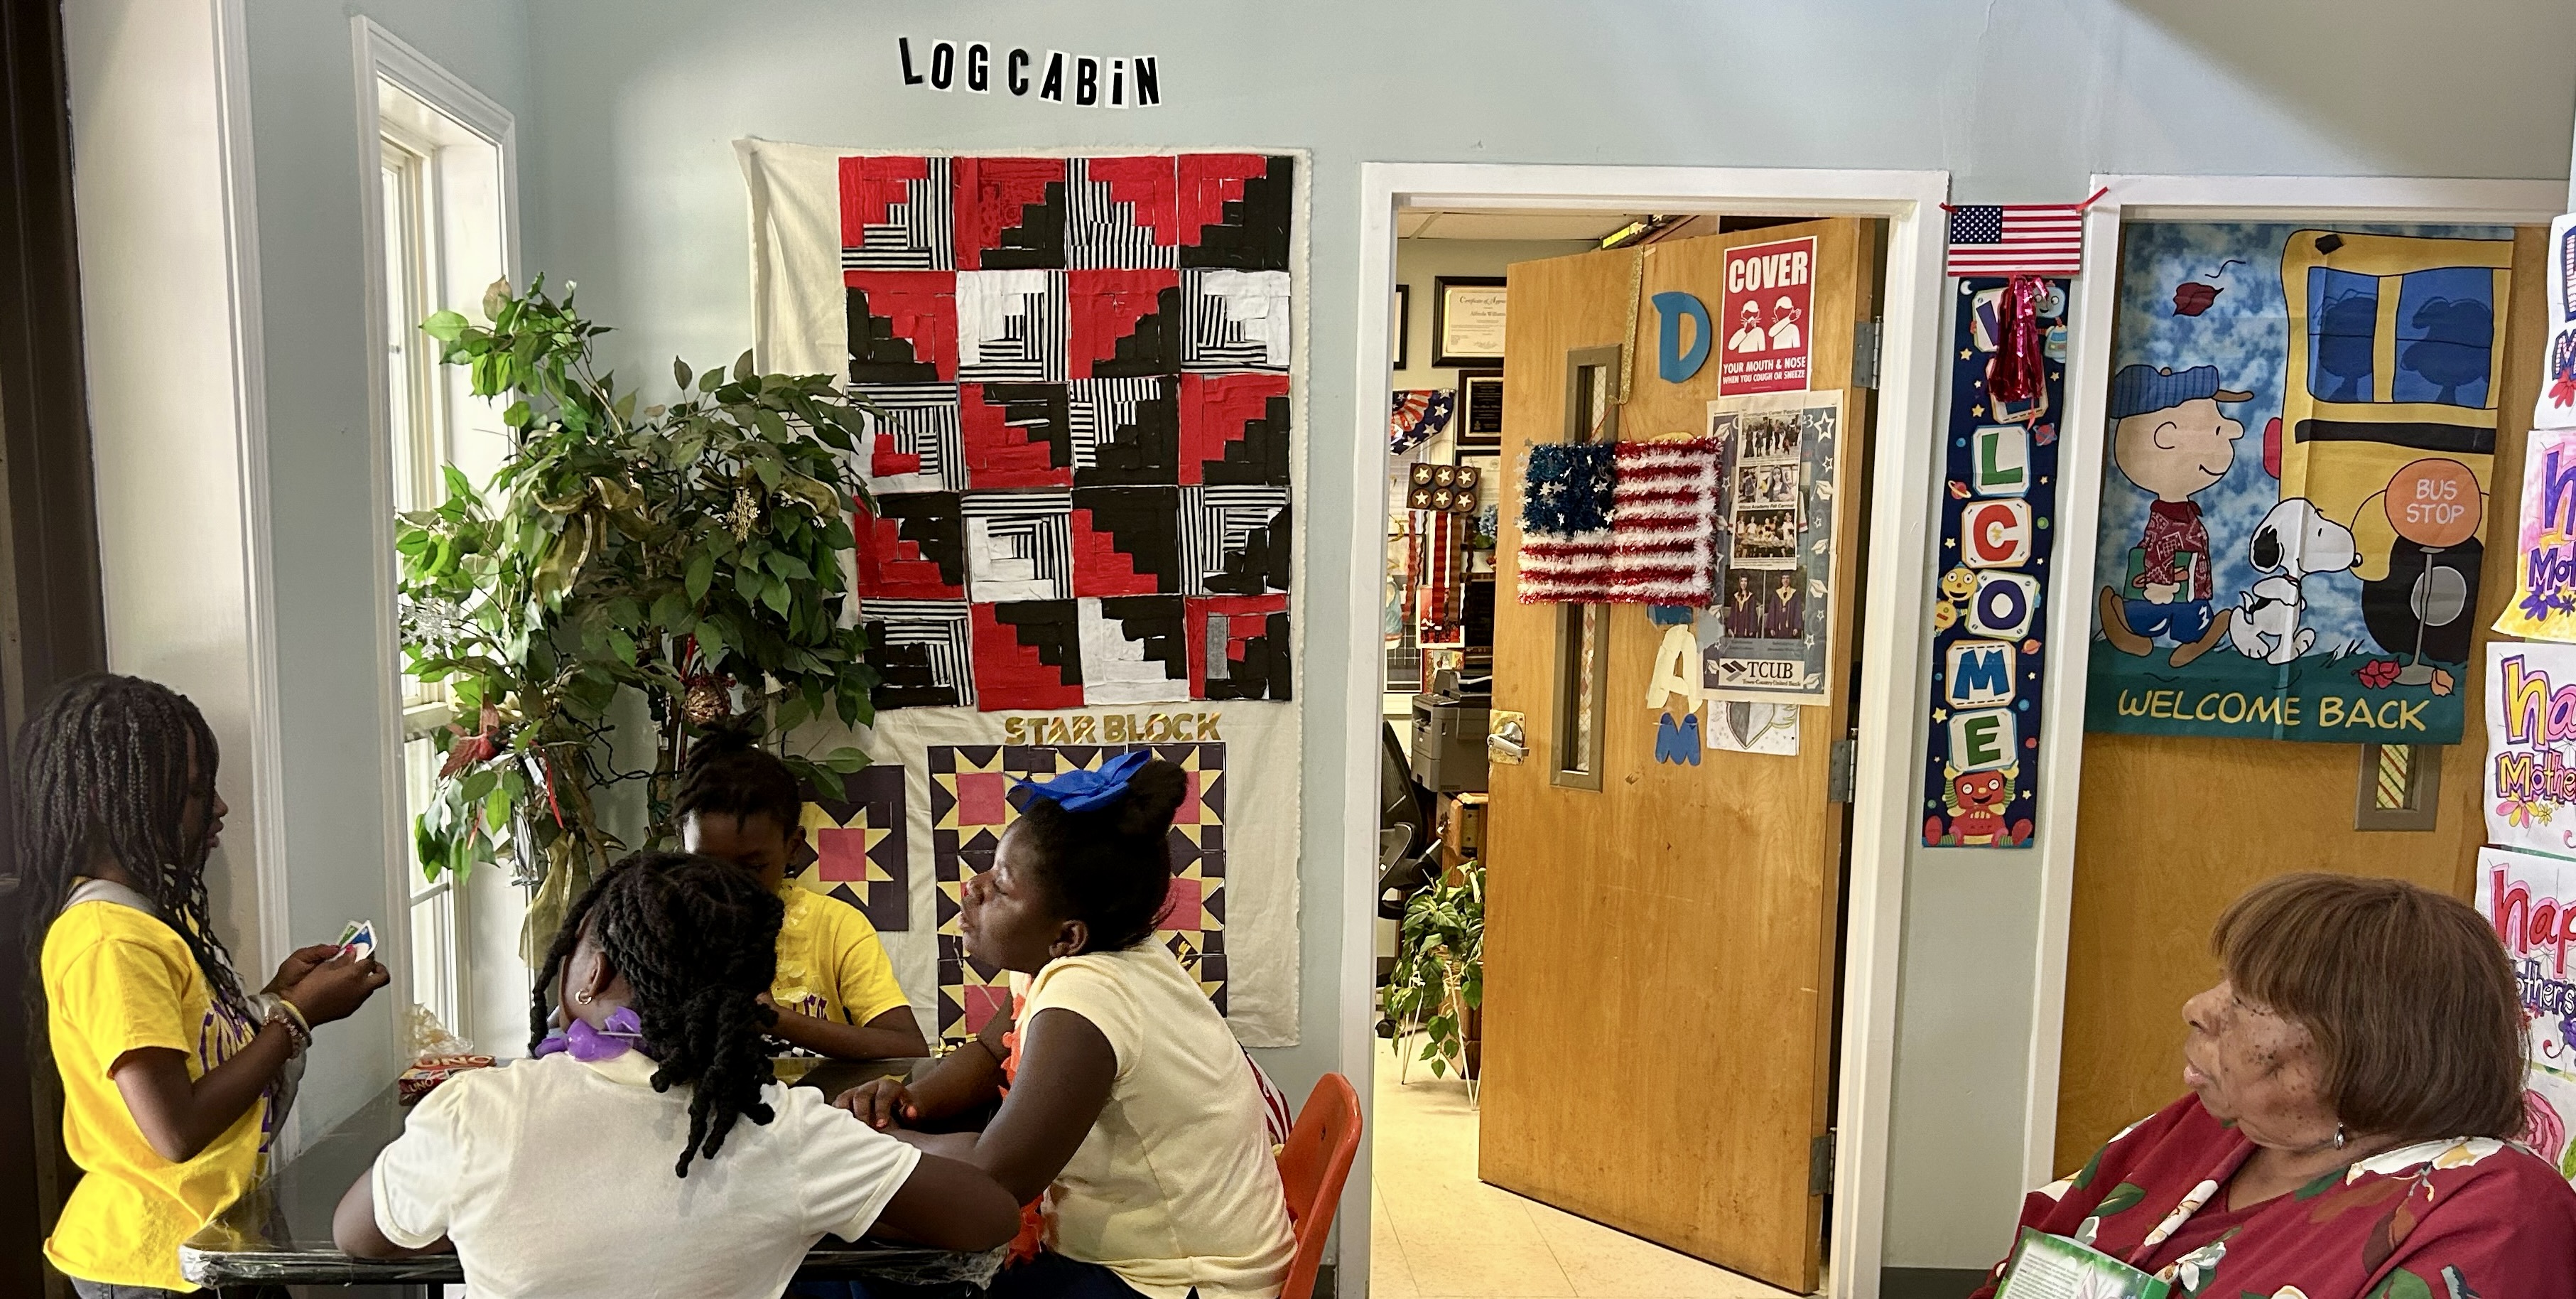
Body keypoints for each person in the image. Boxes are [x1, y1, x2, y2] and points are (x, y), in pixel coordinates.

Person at [333, 851, 1018, 1298]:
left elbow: (358, 1236)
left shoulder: (477, 1110)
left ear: (592, 971)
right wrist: (863, 1181)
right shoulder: (785, 1134)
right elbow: (988, 1216)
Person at [1970, 873, 2576, 1299]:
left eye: (2248, 998)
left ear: (2364, 1047)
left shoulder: (2489, 1212)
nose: (2198, 1007)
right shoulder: (2205, 1128)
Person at [834, 752, 1295, 1299]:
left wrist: (859, 1145)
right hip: (1163, 1261)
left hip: (1179, 1283)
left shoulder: (1089, 994)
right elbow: (987, 1055)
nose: (974, 888)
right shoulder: (1083, 959)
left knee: (869, 1280)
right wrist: (908, 1102)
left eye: (1002, 886)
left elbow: (995, 1179)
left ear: (1067, 935)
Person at [20, 674, 389, 1297]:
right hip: (154, 1265)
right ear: (114, 800)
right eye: (195, 791)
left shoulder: (160, 915)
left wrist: (275, 996)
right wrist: (296, 1018)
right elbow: (176, 1131)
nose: (218, 808)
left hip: (213, 1240)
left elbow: (203, 1052)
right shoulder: (110, 941)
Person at [677, 725, 926, 1060]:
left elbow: (907, 1047)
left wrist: (773, 1017)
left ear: (793, 847)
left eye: (752, 869)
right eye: (707, 866)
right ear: (683, 845)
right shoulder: (663, 927)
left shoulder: (836, 927)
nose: (728, 887)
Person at [2096, 363, 2248, 669]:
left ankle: (2188, 638)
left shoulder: (2188, 514)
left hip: (2188, 595)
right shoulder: (2165, 520)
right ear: (2167, 437)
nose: (2236, 431)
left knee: (2192, 621)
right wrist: (2161, 583)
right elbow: (2157, 550)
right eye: (2217, 429)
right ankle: (2123, 619)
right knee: (2149, 616)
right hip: (2159, 591)